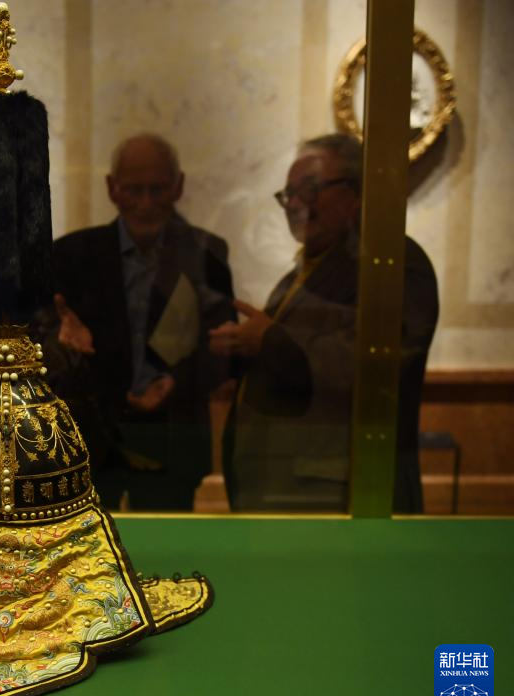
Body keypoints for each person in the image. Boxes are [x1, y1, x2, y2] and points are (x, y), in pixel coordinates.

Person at [210, 133, 438, 512]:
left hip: (339, 496)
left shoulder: (391, 261)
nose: (294, 204)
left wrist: (269, 342)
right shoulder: (301, 273)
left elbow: (375, 363)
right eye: (288, 194)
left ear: (356, 193)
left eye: (310, 189)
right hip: (286, 491)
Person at [48, 134, 236, 511]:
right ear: (112, 189)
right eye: (134, 190)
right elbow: (36, 339)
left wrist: (176, 381)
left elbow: (221, 346)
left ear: (178, 186)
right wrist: (59, 338)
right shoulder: (71, 254)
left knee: (166, 546)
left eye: (158, 189)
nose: (146, 204)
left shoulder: (207, 252)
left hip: (173, 438)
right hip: (90, 441)